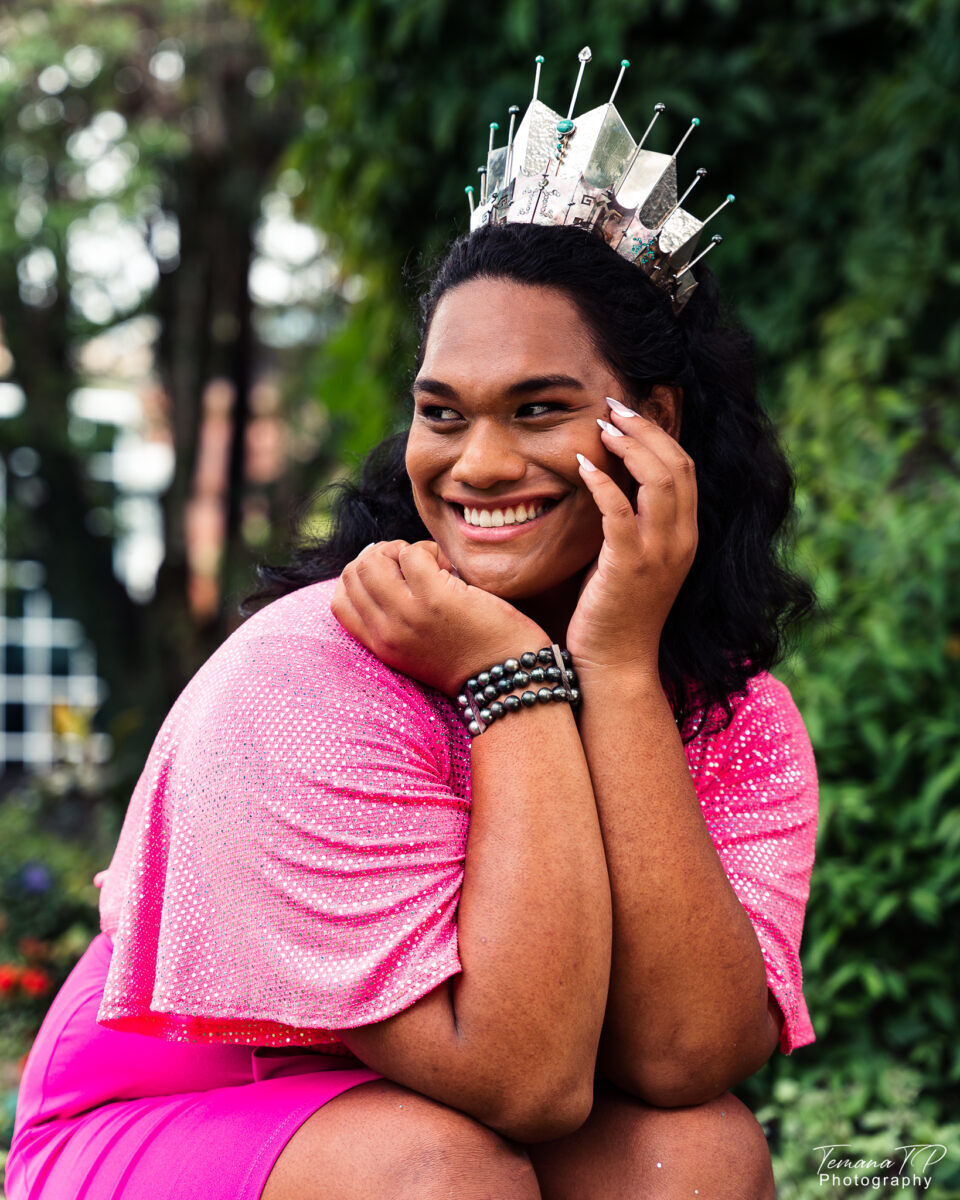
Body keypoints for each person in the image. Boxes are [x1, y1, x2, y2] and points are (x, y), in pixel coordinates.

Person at [7, 215, 818, 1200]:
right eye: (443, 413)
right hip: (173, 1111)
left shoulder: (731, 718)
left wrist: (612, 669)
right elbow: (526, 1084)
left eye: (536, 410)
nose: (477, 465)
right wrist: (508, 675)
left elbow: (686, 1058)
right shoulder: (307, 676)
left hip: (438, 1116)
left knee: (699, 1158)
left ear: (654, 424)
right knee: (438, 1176)